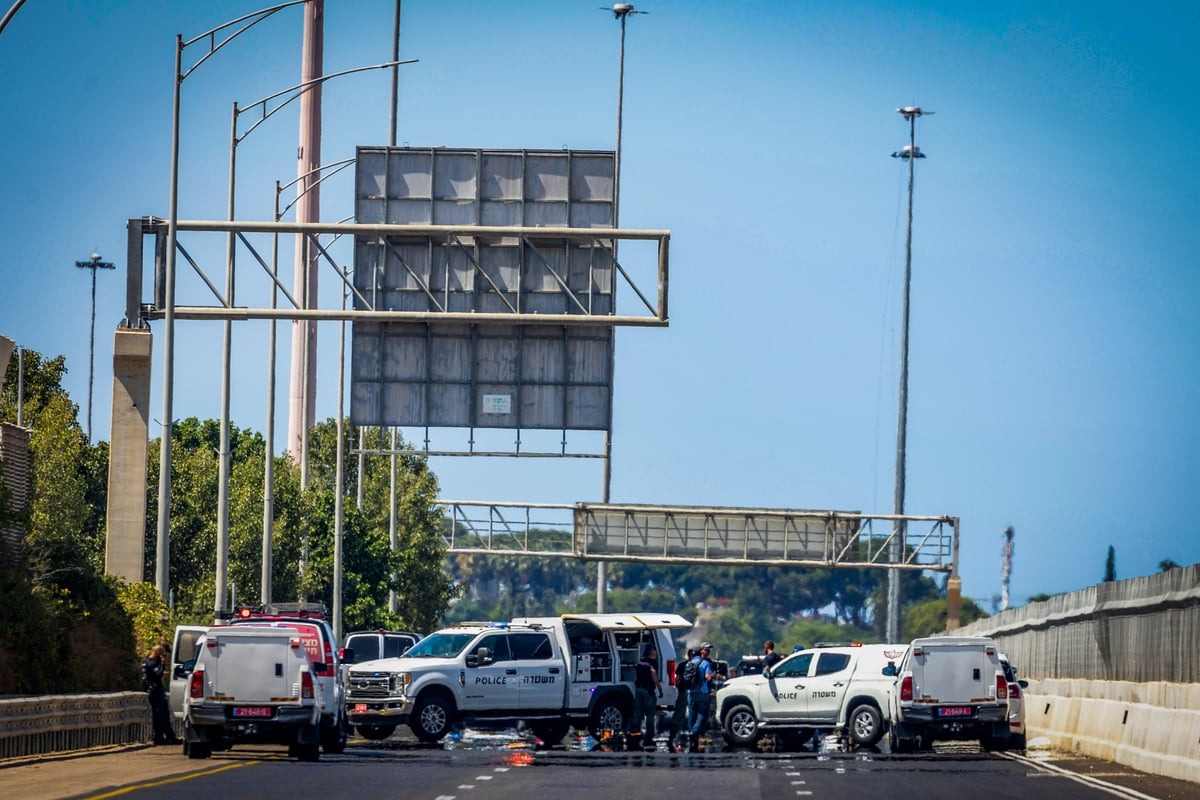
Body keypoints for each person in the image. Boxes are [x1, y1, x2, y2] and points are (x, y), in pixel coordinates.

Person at [141, 644, 180, 745]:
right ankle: (158, 738)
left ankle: (170, 736)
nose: (163, 654)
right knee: (158, 715)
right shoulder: (148, 662)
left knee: (165, 714)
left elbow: (158, 674)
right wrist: (162, 665)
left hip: (159, 690)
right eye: (162, 652)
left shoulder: (157, 661)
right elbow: (157, 674)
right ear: (157, 652)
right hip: (154, 691)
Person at [629, 644, 662, 751]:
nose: (655, 652)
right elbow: (654, 675)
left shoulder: (639, 662)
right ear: (650, 652)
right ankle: (649, 737)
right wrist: (660, 688)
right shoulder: (652, 664)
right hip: (648, 692)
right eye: (654, 649)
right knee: (650, 715)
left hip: (638, 691)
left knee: (637, 714)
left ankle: (635, 735)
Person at [686, 642, 715, 752]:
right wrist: (711, 675)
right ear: (701, 651)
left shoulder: (690, 662)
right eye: (706, 650)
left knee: (691, 715)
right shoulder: (705, 663)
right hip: (702, 692)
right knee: (702, 714)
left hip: (691, 692)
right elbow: (707, 677)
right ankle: (694, 731)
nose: (708, 652)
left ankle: (691, 733)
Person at [668, 648, 693, 751]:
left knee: (688, 714)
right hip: (685, 692)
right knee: (679, 714)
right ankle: (673, 736)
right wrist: (680, 688)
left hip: (688, 692)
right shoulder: (685, 665)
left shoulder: (687, 665)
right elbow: (677, 678)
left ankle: (681, 736)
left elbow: (677, 678)